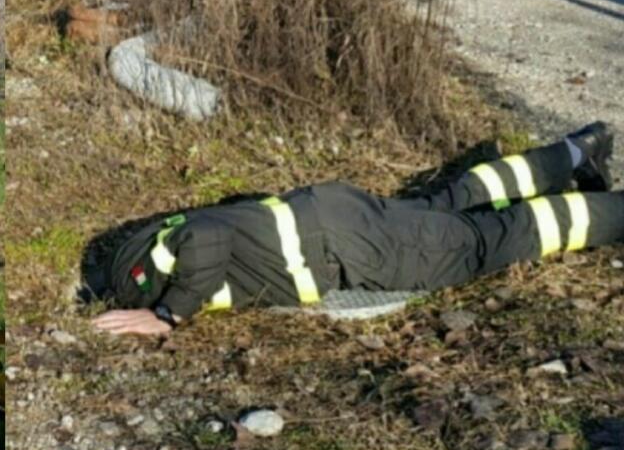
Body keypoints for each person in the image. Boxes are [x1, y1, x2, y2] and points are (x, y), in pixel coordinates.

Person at [94, 123, 617, 335]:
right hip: (331, 214)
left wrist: (167, 314)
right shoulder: (159, 236)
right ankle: (578, 150)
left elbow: (205, 239)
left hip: (345, 246)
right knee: (449, 205)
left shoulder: (154, 267)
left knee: (486, 241)